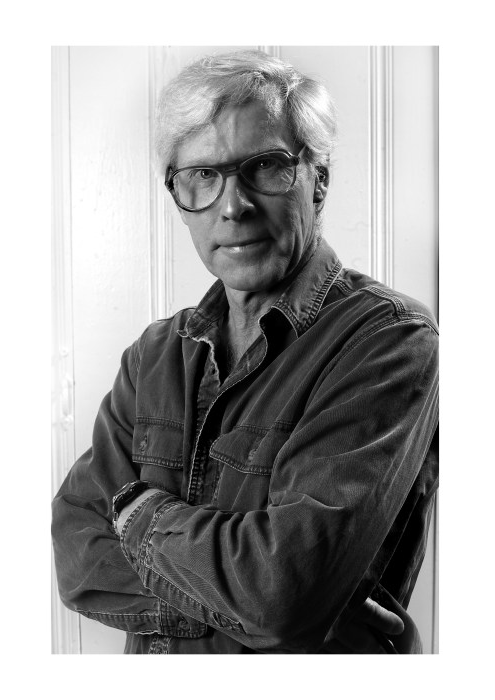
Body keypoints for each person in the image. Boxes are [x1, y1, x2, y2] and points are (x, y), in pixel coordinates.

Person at [52, 50, 438, 654]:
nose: (232, 206)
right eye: (202, 176)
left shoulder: (388, 340)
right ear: (179, 195)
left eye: (265, 167)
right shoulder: (154, 355)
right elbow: (77, 556)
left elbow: (281, 594)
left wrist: (136, 515)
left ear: (319, 179)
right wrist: (253, 612)